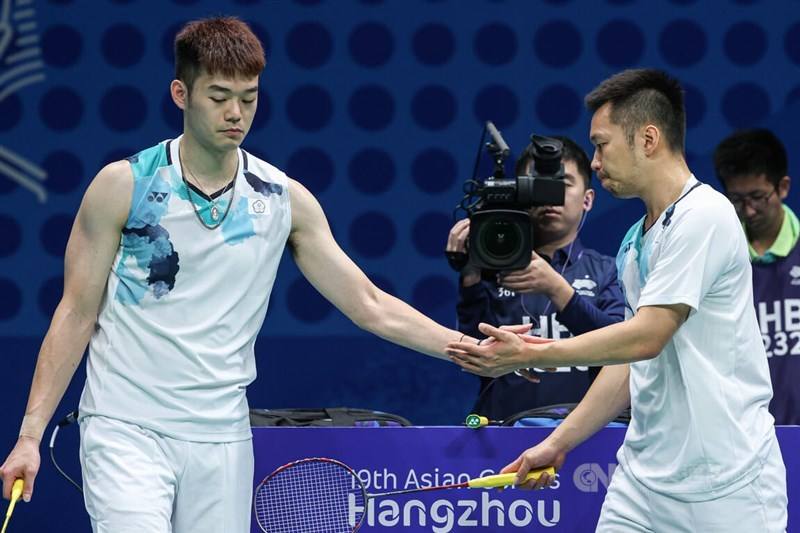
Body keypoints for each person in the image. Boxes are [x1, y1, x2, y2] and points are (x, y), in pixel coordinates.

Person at [0, 17, 473, 533]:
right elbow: (76, 312)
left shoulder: (282, 198)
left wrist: (467, 349)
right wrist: (30, 436)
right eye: (219, 97)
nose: (235, 113)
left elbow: (369, 304)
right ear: (181, 94)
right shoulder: (123, 186)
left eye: (249, 98)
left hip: (222, 439)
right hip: (126, 427)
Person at [447, 68, 787, 531]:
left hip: (730, 485)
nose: (596, 162)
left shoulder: (705, 215)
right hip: (642, 484)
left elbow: (647, 337)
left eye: (601, 145)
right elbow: (628, 363)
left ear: (647, 139)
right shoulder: (633, 243)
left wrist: (531, 353)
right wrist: (558, 442)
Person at [446, 136, 625, 421]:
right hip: (504, 430)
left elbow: (621, 347)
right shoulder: (490, 267)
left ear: (588, 199)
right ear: (520, 193)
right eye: (538, 186)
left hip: (589, 434)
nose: (549, 196)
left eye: (562, 184)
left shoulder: (609, 270)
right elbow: (471, 351)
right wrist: (470, 274)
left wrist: (558, 290)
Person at [714, 128, 800, 425]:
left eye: (757, 197)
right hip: (742, 434)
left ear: (783, 187)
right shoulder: (718, 259)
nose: (748, 211)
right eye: (737, 199)